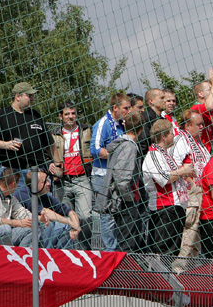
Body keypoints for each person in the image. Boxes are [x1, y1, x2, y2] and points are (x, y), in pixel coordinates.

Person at [94, 111, 147, 252]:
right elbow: (122, 180)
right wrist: (130, 198)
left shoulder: (120, 144)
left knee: (120, 243)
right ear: (141, 129)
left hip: (116, 200)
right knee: (125, 244)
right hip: (122, 202)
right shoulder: (129, 147)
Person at [143, 119, 195, 255]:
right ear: (163, 136)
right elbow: (163, 178)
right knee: (164, 250)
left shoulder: (165, 154)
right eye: (171, 133)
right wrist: (183, 171)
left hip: (175, 207)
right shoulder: (153, 154)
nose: (174, 136)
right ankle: (161, 269)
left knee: (173, 251)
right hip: (164, 208)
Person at [0, 82, 54, 178]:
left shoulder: (36, 116)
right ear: (18, 96)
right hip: (10, 171)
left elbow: (50, 143)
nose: (32, 98)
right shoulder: (1, 115)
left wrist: (56, 164)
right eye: (29, 95)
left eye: (33, 96)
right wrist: (5, 144)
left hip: (36, 171)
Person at [90, 92, 131, 251]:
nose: (128, 111)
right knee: (107, 214)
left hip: (117, 175)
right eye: (125, 108)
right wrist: (116, 158)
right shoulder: (103, 123)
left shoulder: (122, 124)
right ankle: (109, 251)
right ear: (115, 108)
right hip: (102, 175)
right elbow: (95, 149)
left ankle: (118, 249)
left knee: (118, 213)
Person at [171, 110, 211, 268]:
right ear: (187, 125)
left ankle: (191, 270)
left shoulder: (200, 142)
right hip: (190, 193)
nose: (202, 127)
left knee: (196, 237)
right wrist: (191, 183)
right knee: (188, 233)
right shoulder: (181, 140)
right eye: (198, 124)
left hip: (202, 193)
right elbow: (175, 165)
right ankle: (179, 269)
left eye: (203, 124)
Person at [51, 101, 93, 241]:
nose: (70, 116)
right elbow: (48, 155)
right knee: (63, 218)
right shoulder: (55, 135)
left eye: (73, 113)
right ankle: (65, 247)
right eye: (67, 114)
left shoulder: (87, 131)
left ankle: (85, 247)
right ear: (60, 116)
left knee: (85, 216)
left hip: (82, 178)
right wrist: (52, 166)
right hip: (63, 181)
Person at [14, 170, 81, 250]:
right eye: (44, 182)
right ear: (34, 184)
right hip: (20, 230)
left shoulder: (44, 196)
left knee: (66, 225)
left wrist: (75, 227)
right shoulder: (23, 193)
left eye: (48, 181)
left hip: (39, 230)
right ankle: (44, 254)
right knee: (49, 224)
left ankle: (62, 255)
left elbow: (69, 211)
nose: (48, 184)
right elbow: (45, 212)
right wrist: (70, 222)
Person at [191, 68, 213, 152]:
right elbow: (209, 106)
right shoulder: (196, 108)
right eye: (210, 89)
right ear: (200, 94)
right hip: (203, 153)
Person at [140, 88, 165, 155]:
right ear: (151, 101)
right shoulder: (144, 118)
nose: (165, 101)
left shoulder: (162, 119)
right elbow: (143, 143)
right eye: (162, 98)